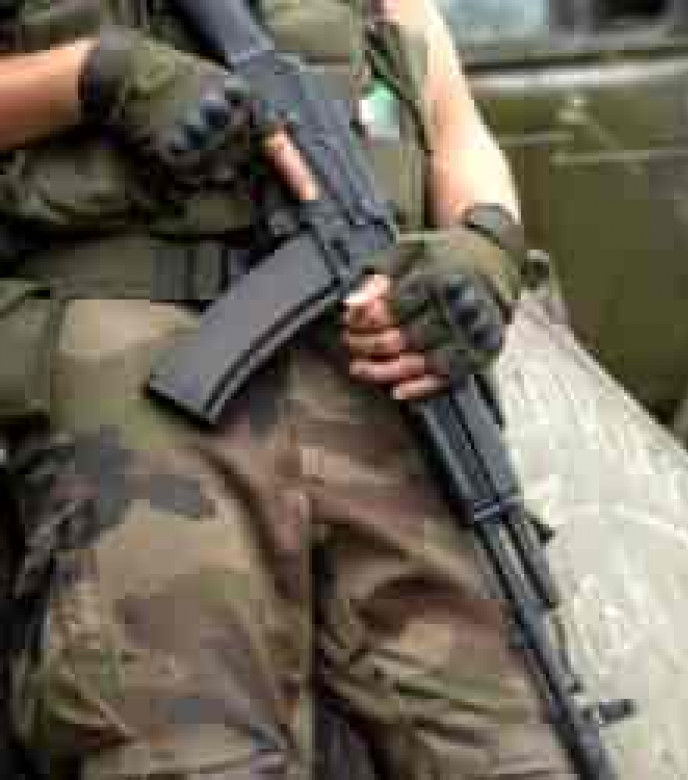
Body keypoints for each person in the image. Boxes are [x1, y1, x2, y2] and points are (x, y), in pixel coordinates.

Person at [0, 0, 574, 777]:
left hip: (377, 372)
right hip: (140, 406)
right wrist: (96, 76)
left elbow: (451, 119)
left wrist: (485, 244)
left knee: (516, 747)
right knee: (193, 753)